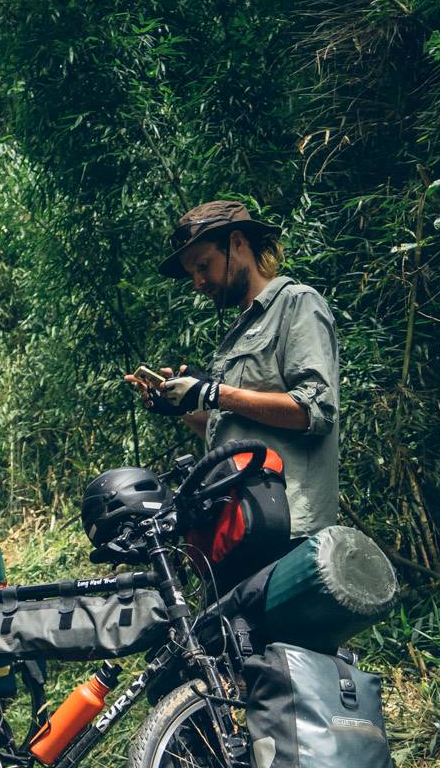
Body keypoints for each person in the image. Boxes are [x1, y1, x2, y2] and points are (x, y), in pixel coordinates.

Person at [125, 200, 339, 539]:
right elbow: (230, 430)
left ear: (237, 242)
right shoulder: (237, 334)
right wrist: (182, 405)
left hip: (291, 529)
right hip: (242, 530)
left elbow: (315, 411)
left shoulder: (296, 303)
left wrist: (214, 392)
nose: (198, 282)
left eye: (203, 265)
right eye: (193, 273)